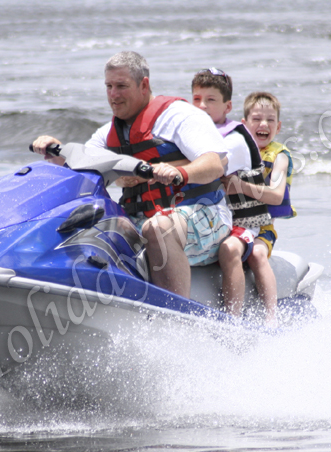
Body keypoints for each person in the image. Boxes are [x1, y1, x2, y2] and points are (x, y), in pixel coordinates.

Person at [32, 52, 232, 299]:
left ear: (144, 85)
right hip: (143, 218)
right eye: (109, 86)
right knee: (88, 227)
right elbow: (83, 163)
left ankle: (175, 317)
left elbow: (215, 164)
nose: (113, 95)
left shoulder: (180, 116)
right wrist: (58, 153)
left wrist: (180, 172)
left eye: (121, 86)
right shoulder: (108, 133)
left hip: (204, 215)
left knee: (159, 227)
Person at [214, 89, 295, 324]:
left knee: (258, 254)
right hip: (228, 222)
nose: (263, 124)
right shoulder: (233, 149)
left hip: (262, 228)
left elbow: (276, 196)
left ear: (278, 127)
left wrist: (240, 185)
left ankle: (271, 316)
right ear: (243, 124)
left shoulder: (279, 157)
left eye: (270, 120)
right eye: (257, 119)